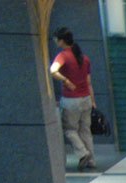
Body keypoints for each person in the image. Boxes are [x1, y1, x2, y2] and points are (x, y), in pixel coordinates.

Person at [50, 27, 96, 170]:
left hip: (71, 99)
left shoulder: (63, 56)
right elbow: (89, 82)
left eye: (56, 39)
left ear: (62, 40)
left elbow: (53, 70)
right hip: (86, 98)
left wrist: (65, 80)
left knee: (69, 129)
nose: (55, 41)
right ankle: (91, 160)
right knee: (85, 130)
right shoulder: (84, 58)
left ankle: (83, 153)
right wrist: (93, 101)